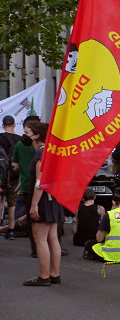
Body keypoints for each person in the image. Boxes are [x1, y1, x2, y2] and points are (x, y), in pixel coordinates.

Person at [23, 121, 66, 286]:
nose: (25, 136)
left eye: (27, 133)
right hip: (54, 198)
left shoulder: (41, 154)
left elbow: (39, 183)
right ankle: (55, 274)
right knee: (52, 237)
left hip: (43, 200)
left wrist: (33, 205)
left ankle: (44, 276)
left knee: (39, 238)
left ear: (37, 135)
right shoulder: (52, 152)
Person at [86, 187, 120, 264]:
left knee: (89, 244)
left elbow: (99, 239)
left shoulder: (109, 215)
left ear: (113, 202)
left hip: (111, 256)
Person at [12, 115, 40, 253]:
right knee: (45, 219)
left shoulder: (19, 145)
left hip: (25, 185)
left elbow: (14, 165)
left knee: (30, 218)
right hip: (40, 186)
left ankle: (34, 247)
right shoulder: (40, 146)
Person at [0, 115, 21, 238]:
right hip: (14, 175)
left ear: (3, 125)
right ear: (14, 125)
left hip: (1, 174)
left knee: (0, 200)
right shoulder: (19, 140)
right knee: (12, 202)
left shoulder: (0, 138)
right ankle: (11, 230)